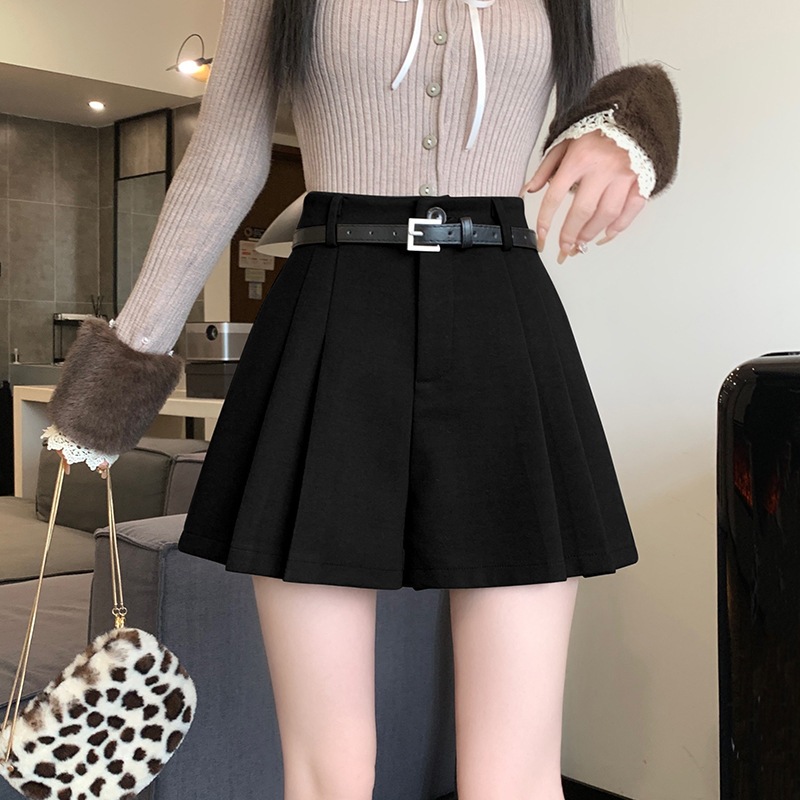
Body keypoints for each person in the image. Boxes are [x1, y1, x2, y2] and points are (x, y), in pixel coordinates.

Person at [42, 1, 680, 798]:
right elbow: (227, 155)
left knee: (515, 773)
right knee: (328, 773)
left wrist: (632, 136)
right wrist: (121, 371)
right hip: (332, 316)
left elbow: (613, 104)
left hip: (502, 320)